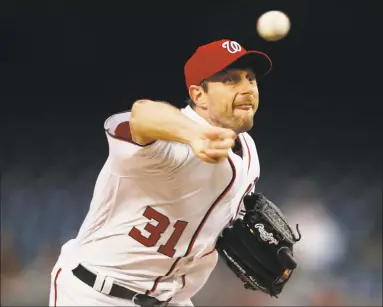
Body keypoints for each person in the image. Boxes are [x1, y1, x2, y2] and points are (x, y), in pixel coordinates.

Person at [49, 38, 273, 306]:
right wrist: (193, 135)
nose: (247, 88)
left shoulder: (247, 148)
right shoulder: (168, 140)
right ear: (198, 95)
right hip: (96, 292)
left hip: (171, 299)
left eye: (251, 79)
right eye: (231, 80)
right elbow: (142, 114)